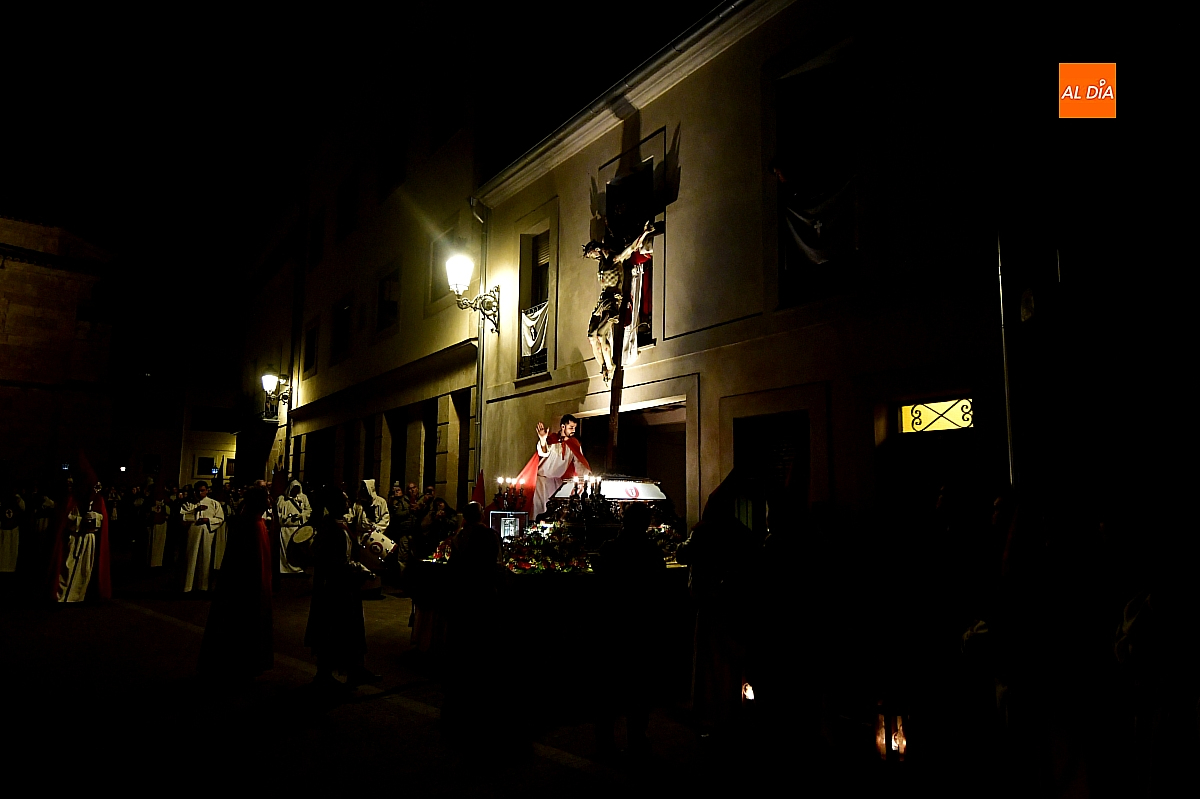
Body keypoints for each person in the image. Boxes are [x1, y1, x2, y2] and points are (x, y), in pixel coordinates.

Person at [592, 502, 664, 756]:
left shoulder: (611, 549)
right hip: (641, 625)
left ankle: (606, 740)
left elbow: (599, 580)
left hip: (615, 625)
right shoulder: (651, 550)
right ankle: (636, 737)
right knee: (639, 685)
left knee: (610, 685)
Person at [305, 485, 381, 689]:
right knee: (333, 629)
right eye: (345, 499)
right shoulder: (331, 528)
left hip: (345, 585)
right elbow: (338, 560)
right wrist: (362, 570)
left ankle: (355, 668)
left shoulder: (338, 524)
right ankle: (325, 673)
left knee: (351, 629)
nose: (348, 502)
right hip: (336, 588)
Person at [198, 486, 274, 683]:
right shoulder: (250, 524)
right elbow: (246, 561)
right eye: (266, 497)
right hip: (247, 588)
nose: (270, 500)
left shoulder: (255, 522)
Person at [51, 479, 111, 603]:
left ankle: (79, 596)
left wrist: (95, 519)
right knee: (67, 566)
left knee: (85, 569)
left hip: (89, 539)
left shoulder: (98, 500)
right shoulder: (72, 499)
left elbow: (102, 520)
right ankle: (62, 597)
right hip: (74, 538)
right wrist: (79, 521)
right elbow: (65, 519)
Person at [522, 414, 591, 520]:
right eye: (571, 427)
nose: (573, 430)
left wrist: (582, 480)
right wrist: (543, 440)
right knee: (539, 510)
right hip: (542, 482)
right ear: (563, 426)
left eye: (575, 428)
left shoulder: (574, 443)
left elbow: (579, 463)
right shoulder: (552, 439)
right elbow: (543, 452)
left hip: (557, 483)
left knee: (556, 512)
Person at [179, 480, 225, 593]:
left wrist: (208, 520)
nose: (200, 493)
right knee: (191, 558)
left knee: (205, 558)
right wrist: (195, 511)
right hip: (192, 534)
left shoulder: (214, 504)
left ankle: (203, 586)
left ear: (207, 491)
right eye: (198, 491)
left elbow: (220, 518)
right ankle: (188, 586)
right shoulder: (189, 504)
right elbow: (183, 518)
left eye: (202, 491)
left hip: (207, 534)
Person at [276, 479, 312, 575]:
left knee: (296, 551)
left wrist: (301, 516)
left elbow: (308, 510)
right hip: (285, 529)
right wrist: (284, 518)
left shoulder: (303, 498)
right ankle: (284, 568)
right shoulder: (281, 499)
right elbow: (277, 513)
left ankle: (297, 567)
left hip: (297, 529)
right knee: (285, 550)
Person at [0, 486, 25, 574]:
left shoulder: (17, 500)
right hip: (3, 530)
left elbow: (23, 508)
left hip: (13, 531)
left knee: (11, 553)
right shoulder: (2, 500)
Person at [146, 486, 170, 568]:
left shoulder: (165, 503)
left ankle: (158, 562)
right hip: (153, 525)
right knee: (151, 544)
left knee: (160, 544)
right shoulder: (150, 502)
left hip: (162, 524)